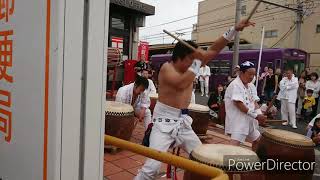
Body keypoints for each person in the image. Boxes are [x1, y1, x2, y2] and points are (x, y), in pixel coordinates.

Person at [134, 19, 255, 180]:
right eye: (192, 59)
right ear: (183, 57)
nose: (196, 63)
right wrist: (198, 61)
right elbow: (181, 83)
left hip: (183, 122)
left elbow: (214, 49)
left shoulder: (192, 65)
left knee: (203, 158)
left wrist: (234, 29)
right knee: (152, 167)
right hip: (163, 123)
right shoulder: (166, 68)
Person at [224, 61, 267, 151]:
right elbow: (239, 104)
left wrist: (260, 114)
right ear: (241, 72)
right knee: (233, 147)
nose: (252, 77)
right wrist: (256, 116)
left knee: (258, 140)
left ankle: (254, 158)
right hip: (238, 122)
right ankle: (225, 164)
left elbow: (254, 102)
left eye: (253, 75)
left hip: (249, 120)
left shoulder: (251, 86)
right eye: (249, 74)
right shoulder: (235, 85)